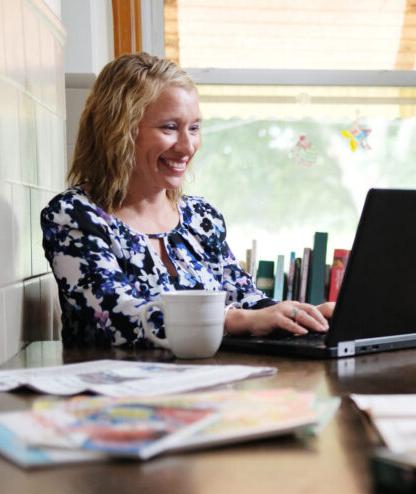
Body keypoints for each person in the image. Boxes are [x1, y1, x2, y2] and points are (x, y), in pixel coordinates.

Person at [41, 52, 332, 348]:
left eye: (194, 128)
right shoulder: (74, 215)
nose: (187, 146)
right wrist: (231, 320)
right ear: (118, 131)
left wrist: (303, 316)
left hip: (204, 385)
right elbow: (116, 320)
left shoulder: (201, 217)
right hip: (112, 390)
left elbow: (244, 299)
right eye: (169, 127)